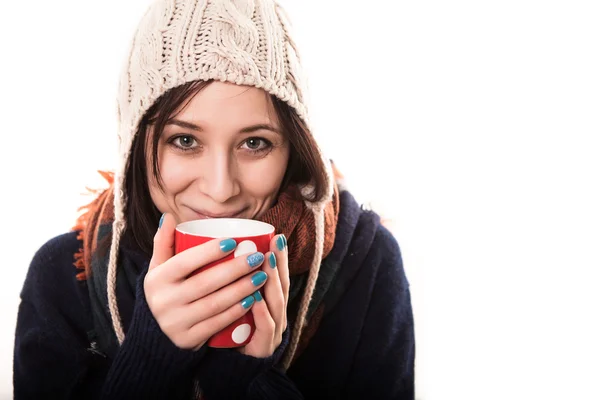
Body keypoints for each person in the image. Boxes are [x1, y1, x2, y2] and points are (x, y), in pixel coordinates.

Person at [13, 0, 415, 398]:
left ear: (294, 148)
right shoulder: (63, 280)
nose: (221, 189)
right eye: (184, 141)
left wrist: (246, 376)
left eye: (255, 143)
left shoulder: (366, 263)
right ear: (136, 144)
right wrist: (149, 360)